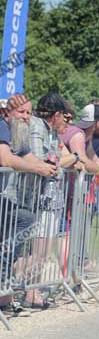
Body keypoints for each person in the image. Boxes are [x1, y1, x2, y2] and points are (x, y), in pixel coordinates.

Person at [0, 94, 58, 316]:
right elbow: (5, 159)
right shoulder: (3, 126)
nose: (26, 117)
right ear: (8, 113)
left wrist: (49, 168)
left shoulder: (18, 133)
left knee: (22, 222)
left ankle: (5, 289)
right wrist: (38, 169)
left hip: (5, 198)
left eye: (28, 112)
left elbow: (30, 156)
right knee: (23, 220)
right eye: (21, 112)